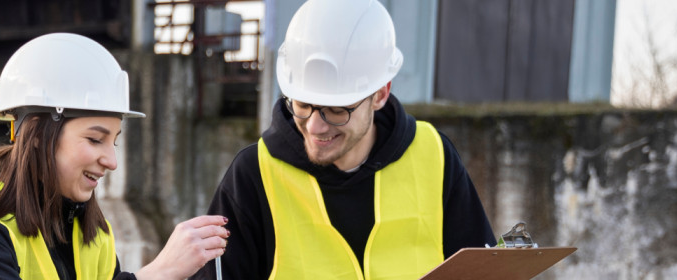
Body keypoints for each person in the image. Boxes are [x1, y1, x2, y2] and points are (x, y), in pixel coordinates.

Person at [194, 0, 496, 279]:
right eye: (301, 105)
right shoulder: (253, 174)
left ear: (380, 94)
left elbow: (482, 271)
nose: (314, 126)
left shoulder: (434, 156)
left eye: (336, 110)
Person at [0, 33, 230, 280]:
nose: (111, 161)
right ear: (37, 135)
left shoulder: (94, 233)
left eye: (114, 142)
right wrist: (157, 273)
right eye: (95, 139)